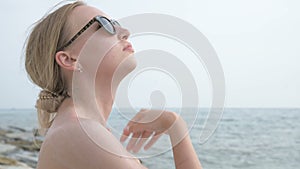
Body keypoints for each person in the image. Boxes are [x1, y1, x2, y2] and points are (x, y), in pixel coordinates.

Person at [24, 1, 202, 169]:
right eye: (104, 25)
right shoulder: (79, 131)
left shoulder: (81, 129)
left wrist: (173, 124)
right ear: (69, 59)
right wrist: (178, 128)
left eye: (115, 23)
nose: (125, 31)